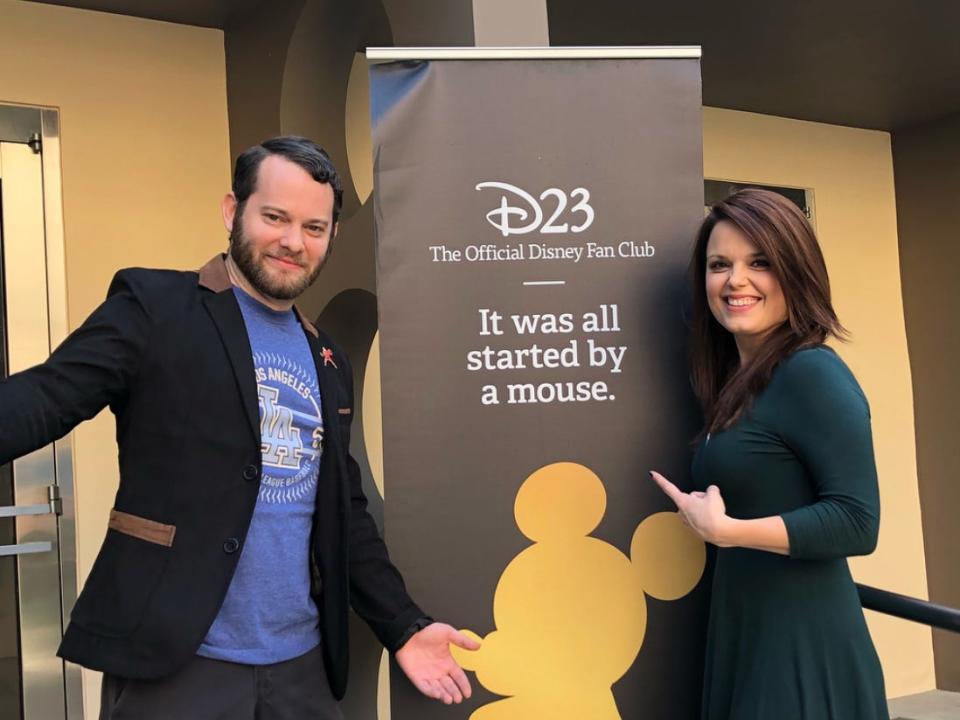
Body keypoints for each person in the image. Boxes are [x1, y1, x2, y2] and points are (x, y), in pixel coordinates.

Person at [0, 136, 478, 719]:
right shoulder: (157, 308)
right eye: (274, 217)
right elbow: (48, 396)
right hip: (178, 662)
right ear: (233, 211)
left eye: (313, 227)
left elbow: (344, 512)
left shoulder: (327, 358)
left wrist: (403, 627)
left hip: (301, 669)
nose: (291, 242)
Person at [650, 188, 887, 719]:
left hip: (802, 646)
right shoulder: (739, 381)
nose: (735, 280)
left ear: (796, 271)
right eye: (719, 264)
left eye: (760, 262)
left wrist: (726, 531)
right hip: (746, 634)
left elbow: (857, 522)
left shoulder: (811, 372)